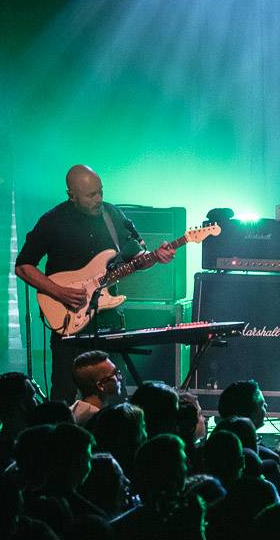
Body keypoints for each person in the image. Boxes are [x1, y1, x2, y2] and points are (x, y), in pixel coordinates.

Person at [14, 165, 176, 403]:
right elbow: (23, 266)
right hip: (70, 319)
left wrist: (155, 257)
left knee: (115, 393)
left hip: (109, 317)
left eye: (100, 192)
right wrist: (59, 293)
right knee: (64, 395)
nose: (99, 199)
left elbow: (135, 261)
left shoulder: (113, 215)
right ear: (72, 195)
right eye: (91, 195)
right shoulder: (53, 221)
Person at [69, 350, 124, 426]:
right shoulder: (101, 421)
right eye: (115, 373)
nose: (120, 377)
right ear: (101, 385)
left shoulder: (72, 412)